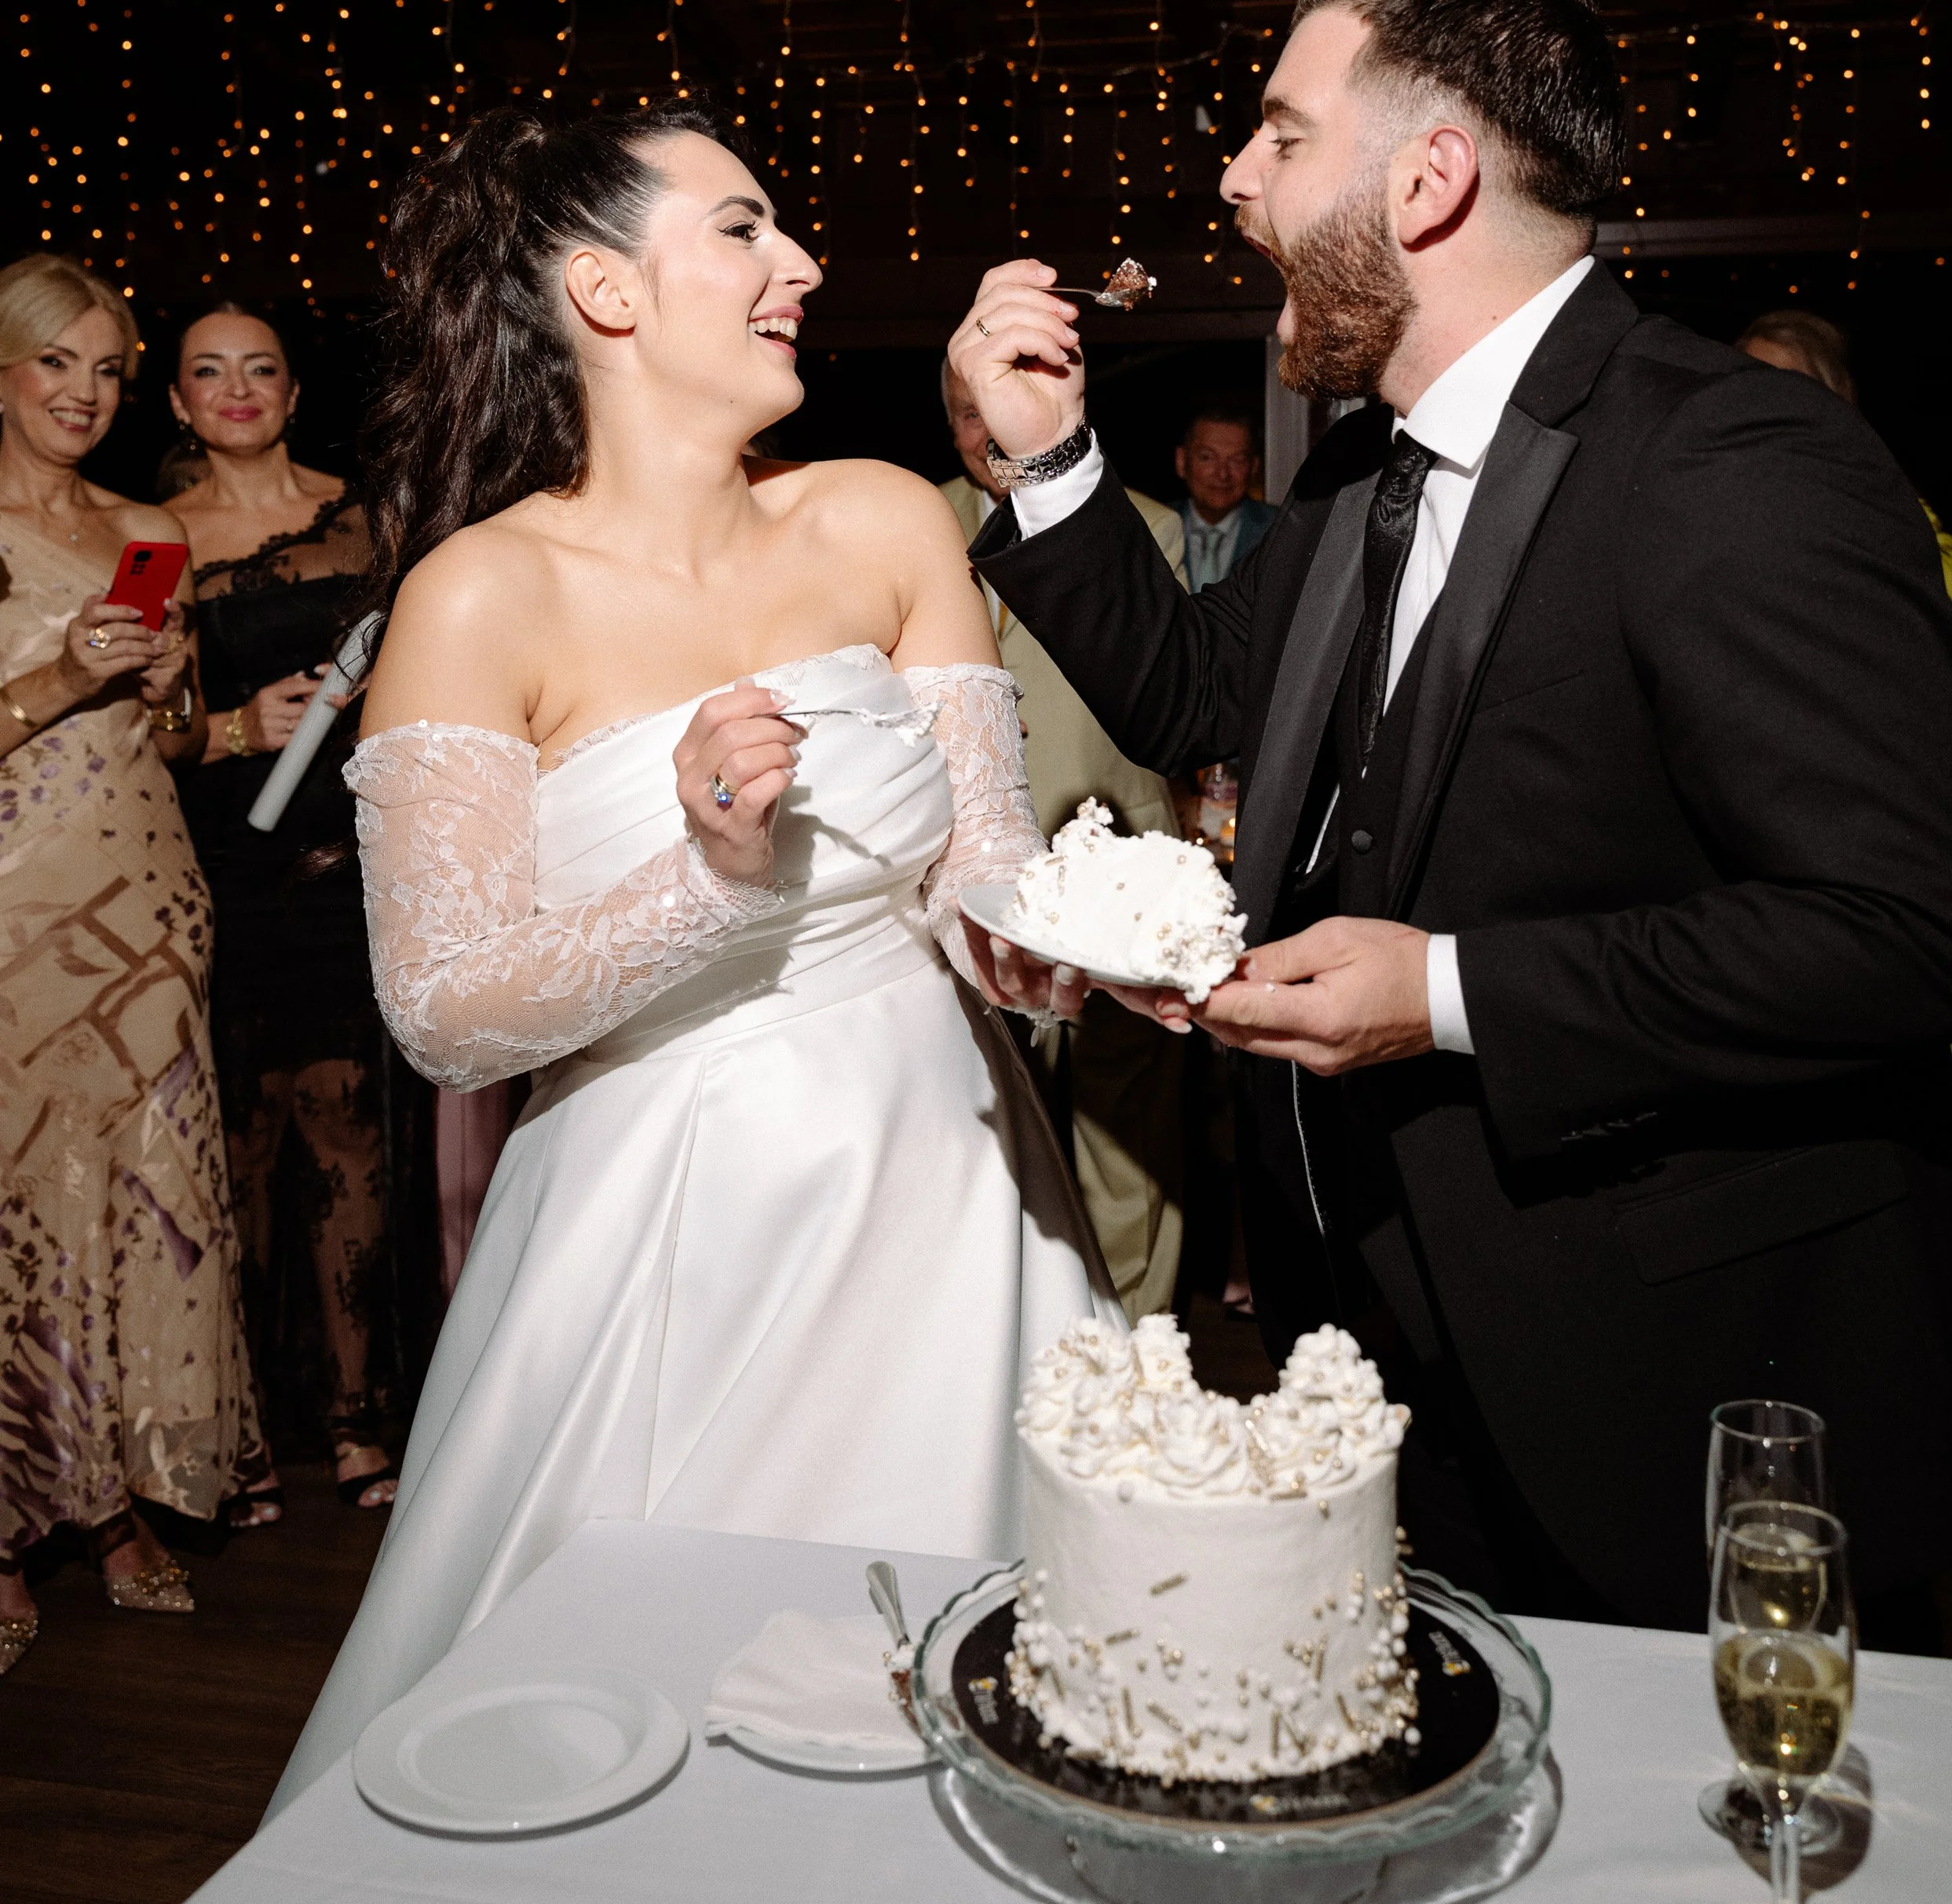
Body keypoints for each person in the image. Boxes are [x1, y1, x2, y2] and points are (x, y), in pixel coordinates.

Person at [949, 0, 1952, 1636]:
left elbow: (1900, 928)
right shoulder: (1363, 470)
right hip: (1395, 1352)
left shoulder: (1729, 462)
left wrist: (1436, 993)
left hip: (1683, 1379)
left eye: (1278, 135)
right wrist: (1049, 465)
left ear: (1426, 181)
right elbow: (1202, 692)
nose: (1231, 178)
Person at [268, 105, 1109, 1810]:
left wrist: (1043, 953)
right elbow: (442, 1013)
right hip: (665, 1229)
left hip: (946, 1194)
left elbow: (979, 860)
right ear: (603, 290)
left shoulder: (879, 520)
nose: (797, 264)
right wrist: (712, 885)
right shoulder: (475, 598)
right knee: (630, 1730)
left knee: (1006, 1695)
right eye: (742, 227)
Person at [0, 254, 265, 1668]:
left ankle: (110, 1507)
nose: (86, 396)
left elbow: (175, 743)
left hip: (149, 899)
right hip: (12, 916)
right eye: (59, 365)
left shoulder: (144, 524)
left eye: (108, 371)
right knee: (17, 1200)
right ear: (3, 366)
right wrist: (60, 674)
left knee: (142, 1199)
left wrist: (167, 690)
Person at [168, 305, 399, 1520]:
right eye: (209, 371)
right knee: (238, 1148)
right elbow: (127, 713)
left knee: (344, 1122)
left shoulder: (363, 518)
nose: (237, 388)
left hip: (345, 856)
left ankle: (360, 1424)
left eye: (260, 367)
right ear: (177, 403)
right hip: (216, 866)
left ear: (295, 389)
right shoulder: (148, 537)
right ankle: (244, 1430)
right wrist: (224, 728)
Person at [938, 359, 1189, 1317]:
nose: (986, 434)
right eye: (966, 415)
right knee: (993, 1126)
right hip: (969, 876)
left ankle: (1136, 1339)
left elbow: (1166, 691)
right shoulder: (912, 526)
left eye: (995, 412)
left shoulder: (1140, 525)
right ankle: (1029, 1334)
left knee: (1126, 1131)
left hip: (1117, 859)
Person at [1738, 306, 1952, 623]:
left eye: (1790, 390)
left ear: (1834, 400)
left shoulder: (1894, 521)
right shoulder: (1728, 497)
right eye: (1751, 387)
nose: (1767, 408)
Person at [1174, 404, 1276, 591]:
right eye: (1207, 458)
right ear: (1181, 461)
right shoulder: (1151, 529)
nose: (1222, 474)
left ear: (1254, 467)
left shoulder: (1278, 531)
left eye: (1237, 460)